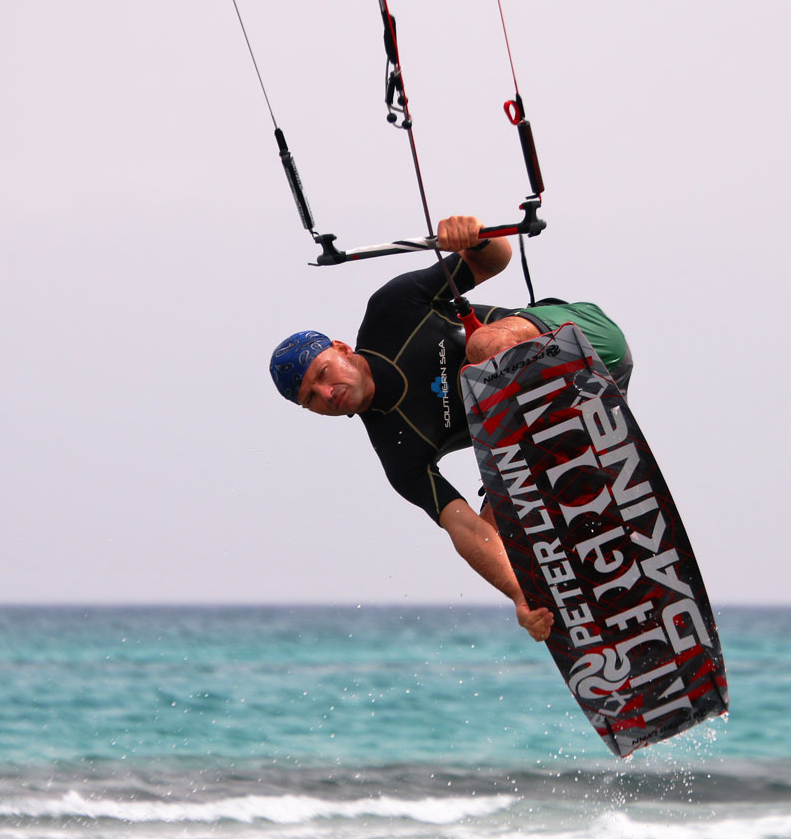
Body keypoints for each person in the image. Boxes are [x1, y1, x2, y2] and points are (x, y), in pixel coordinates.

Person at [268, 216, 633, 641]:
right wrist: (519, 595)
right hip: (584, 403)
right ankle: (594, 604)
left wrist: (473, 237)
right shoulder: (400, 457)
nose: (327, 393)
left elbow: (494, 259)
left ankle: (552, 446)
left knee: (483, 348)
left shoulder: (391, 310)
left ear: (342, 349)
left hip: (587, 340)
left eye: (323, 373)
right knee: (502, 525)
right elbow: (467, 529)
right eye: (311, 398)